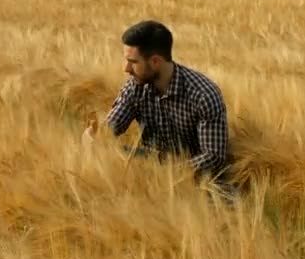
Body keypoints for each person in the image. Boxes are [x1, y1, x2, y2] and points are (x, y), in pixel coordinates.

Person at [82, 20, 238, 200]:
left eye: (133, 62)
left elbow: (214, 157)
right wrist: (94, 138)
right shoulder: (134, 87)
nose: (126, 69)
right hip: (150, 165)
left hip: (197, 177)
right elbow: (108, 131)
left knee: (228, 201)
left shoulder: (203, 94)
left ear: (155, 61)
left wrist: (169, 174)